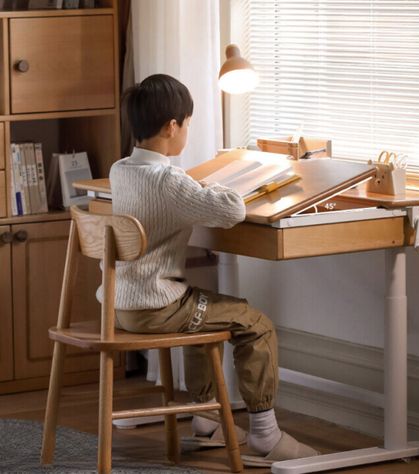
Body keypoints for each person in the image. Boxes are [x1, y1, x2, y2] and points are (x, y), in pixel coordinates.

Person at [107, 73, 318, 466]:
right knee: (256, 323)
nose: (187, 129)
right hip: (158, 307)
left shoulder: (121, 169)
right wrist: (217, 187)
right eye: (188, 123)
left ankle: (205, 419)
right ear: (172, 127)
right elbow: (232, 210)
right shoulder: (170, 180)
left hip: (122, 305)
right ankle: (266, 435)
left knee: (203, 319)